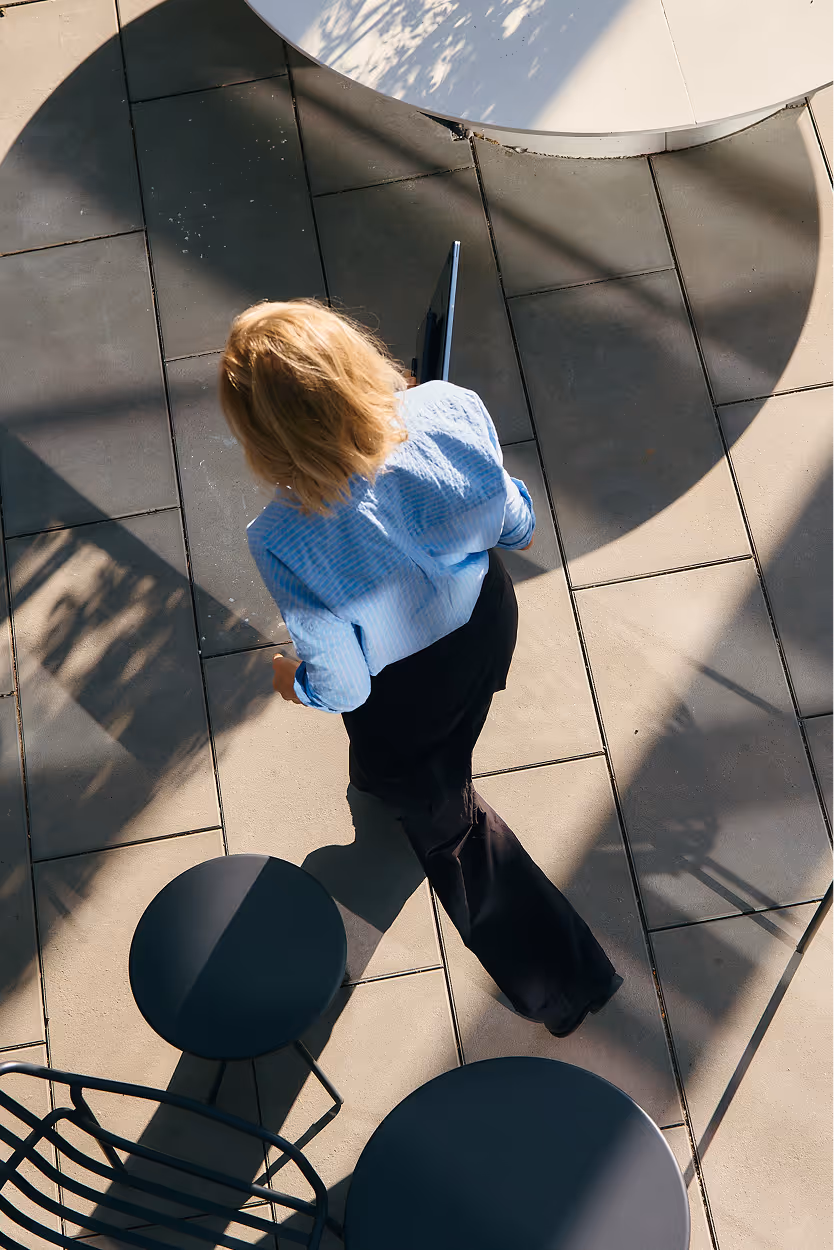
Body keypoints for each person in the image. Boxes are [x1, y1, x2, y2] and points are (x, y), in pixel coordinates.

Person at [219, 298, 622, 1037]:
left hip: (405, 696)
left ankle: (567, 983)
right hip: (487, 624)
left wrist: (293, 683)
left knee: (452, 829)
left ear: (262, 434)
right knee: (448, 735)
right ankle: (390, 787)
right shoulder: (449, 408)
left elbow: (345, 683)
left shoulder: (281, 535)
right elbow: (517, 524)